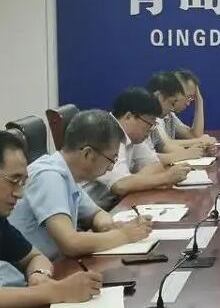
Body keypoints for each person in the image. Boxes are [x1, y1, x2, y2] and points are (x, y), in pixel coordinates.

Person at [8, 111, 153, 260]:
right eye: (111, 159)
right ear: (87, 154)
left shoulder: (67, 174)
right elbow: (70, 243)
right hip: (31, 270)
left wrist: (110, 227)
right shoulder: (49, 176)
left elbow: (96, 214)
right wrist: (123, 236)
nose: (111, 168)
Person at [0, 131, 102, 308]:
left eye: (23, 182)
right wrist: (57, 291)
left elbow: (35, 257)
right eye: (14, 180)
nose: (20, 194)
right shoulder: (49, 175)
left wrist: (39, 274)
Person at [82, 88, 191, 210]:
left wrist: (133, 182)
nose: (150, 130)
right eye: (149, 124)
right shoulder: (105, 132)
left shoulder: (135, 137)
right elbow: (120, 186)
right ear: (128, 117)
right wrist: (166, 178)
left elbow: (156, 165)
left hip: (115, 204)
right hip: (90, 213)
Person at [145, 71, 209, 163]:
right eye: (188, 97)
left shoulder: (168, 115)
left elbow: (193, 136)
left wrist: (199, 101)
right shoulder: (150, 117)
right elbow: (165, 147)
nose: (188, 103)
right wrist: (199, 143)